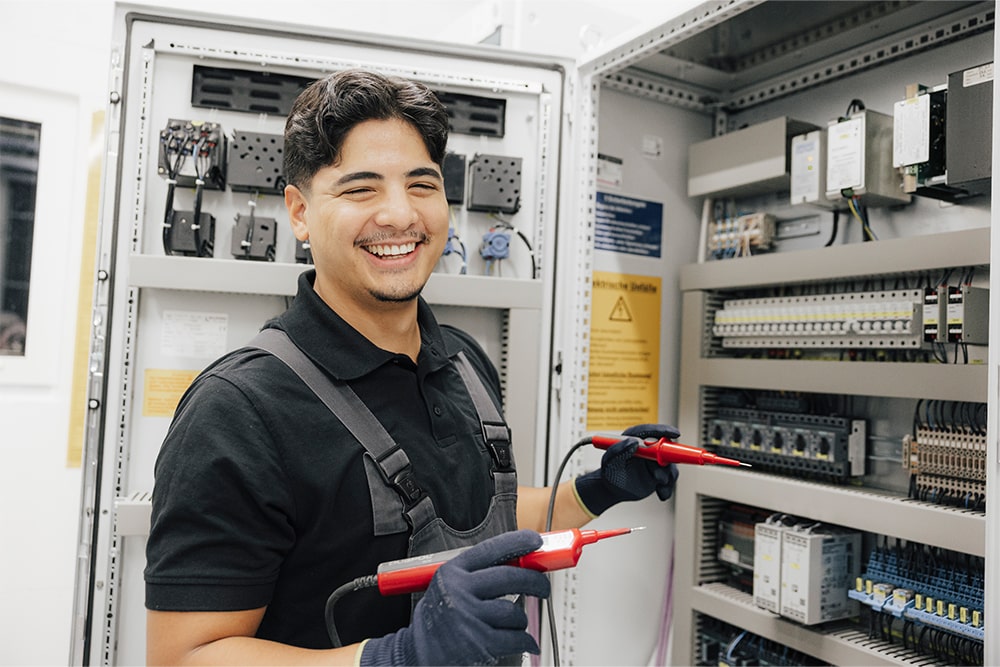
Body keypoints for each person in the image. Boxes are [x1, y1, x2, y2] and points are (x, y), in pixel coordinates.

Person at [144, 68, 679, 666]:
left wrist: (597, 488)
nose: (400, 215)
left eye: (422, 184)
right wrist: (391, 658)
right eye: (361, 189)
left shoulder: (464, 363)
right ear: (299, 212)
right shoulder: (238, 410)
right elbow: (183, 658)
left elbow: (487, 513)